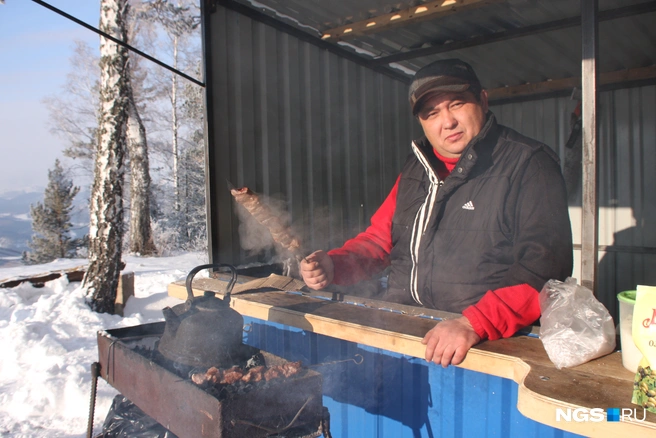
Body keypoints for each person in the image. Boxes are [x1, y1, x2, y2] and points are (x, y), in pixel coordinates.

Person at [300, 58, 573, 368]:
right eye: (432, 114)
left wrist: (474, 324)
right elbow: (379, 241)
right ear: (422, 123)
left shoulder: (529, 164)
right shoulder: (416, 170)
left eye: (457, 104)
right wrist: (334, 265)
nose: (447, 122)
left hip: (481, 346)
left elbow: (546, 268)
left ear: (483, 100)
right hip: (403, 331)